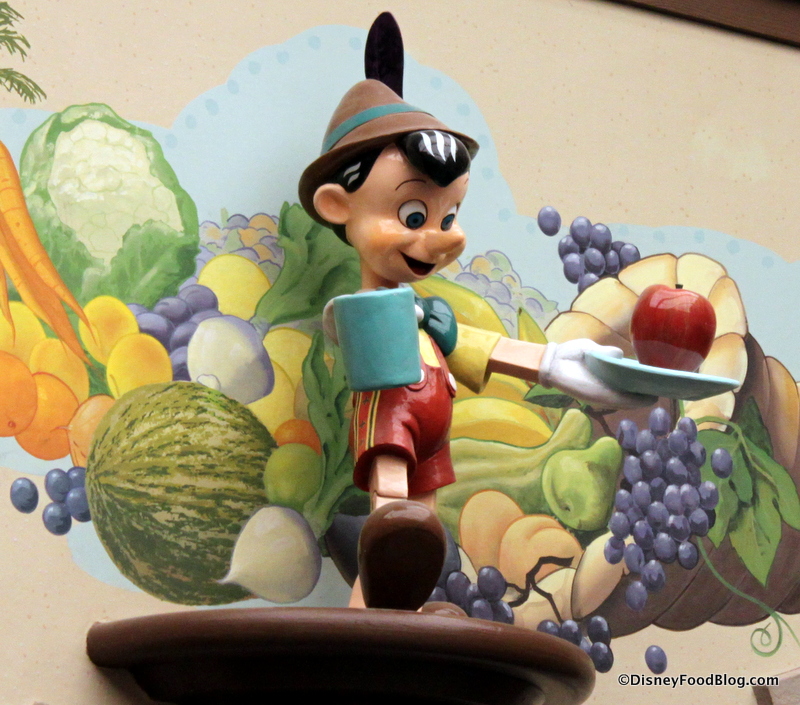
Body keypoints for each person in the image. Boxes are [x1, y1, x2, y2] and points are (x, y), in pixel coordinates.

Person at [298, 14, 654, 612]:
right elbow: (363, 345)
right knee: (392, 522)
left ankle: (391, 615)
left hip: (431, 426)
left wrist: (554, 363)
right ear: (337, 205)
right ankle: (372, 619)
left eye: (448, 216)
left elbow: (472, 347)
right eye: (414, 216)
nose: (442, 237)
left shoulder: (424, 313)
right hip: (391, 424)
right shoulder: (367, 313)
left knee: (419, 538)